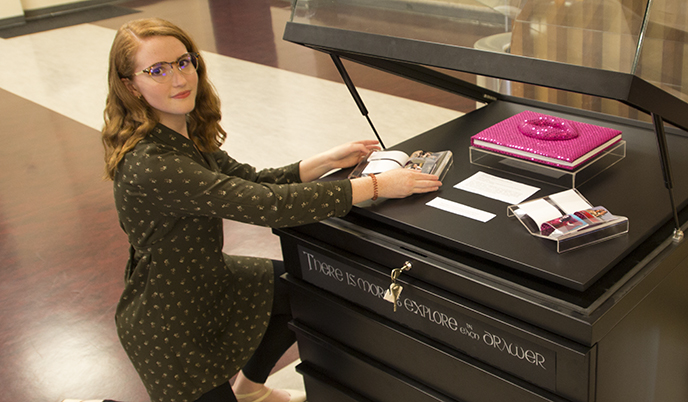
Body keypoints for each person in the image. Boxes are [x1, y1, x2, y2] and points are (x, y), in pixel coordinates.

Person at [96, 17, 442, 402]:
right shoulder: (153, 163)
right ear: (131, 86)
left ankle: (249, 390)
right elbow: (267, 206)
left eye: (183, 61)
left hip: (209, 279)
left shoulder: (179, 131)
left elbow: (250, 179)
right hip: (169, 326)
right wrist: (376, 185)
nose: (179, 79)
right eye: (157, 70)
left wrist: (326, 160)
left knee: (296, 288)